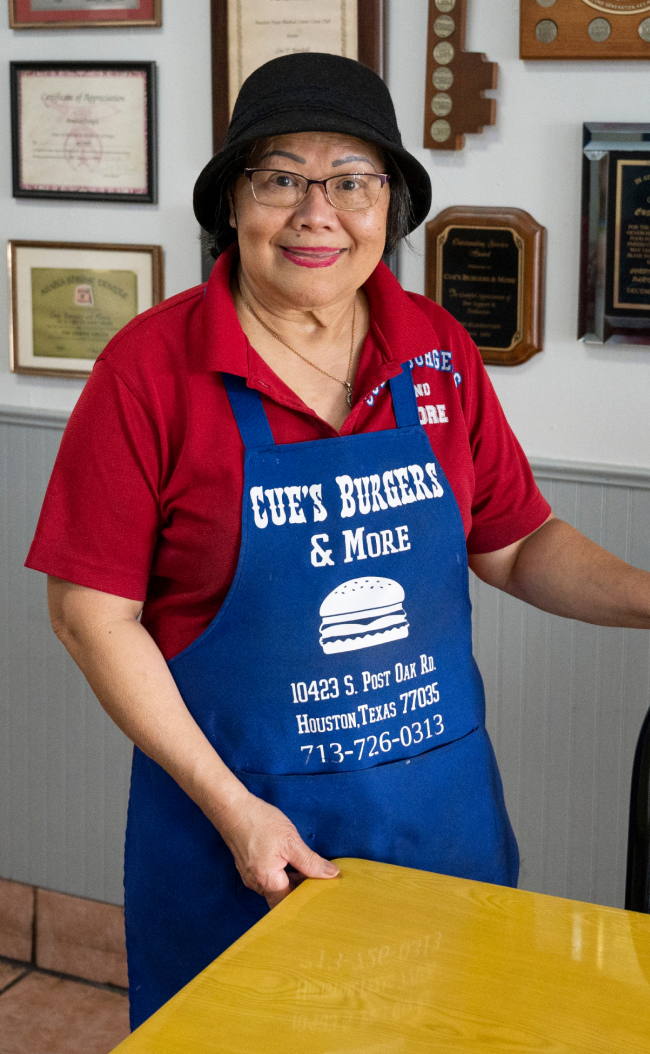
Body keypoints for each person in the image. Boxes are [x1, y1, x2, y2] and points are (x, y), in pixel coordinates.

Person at [27, 53, 650, 1029]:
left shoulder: (436, 349)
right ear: (232, 201)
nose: (317, 213)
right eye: (280, 177)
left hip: (437, 828)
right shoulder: (149, 370)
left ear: (388, 206)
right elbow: (90, 614)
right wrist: (235, 811)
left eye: (352, 181)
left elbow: (516, 544)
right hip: (240, 841)